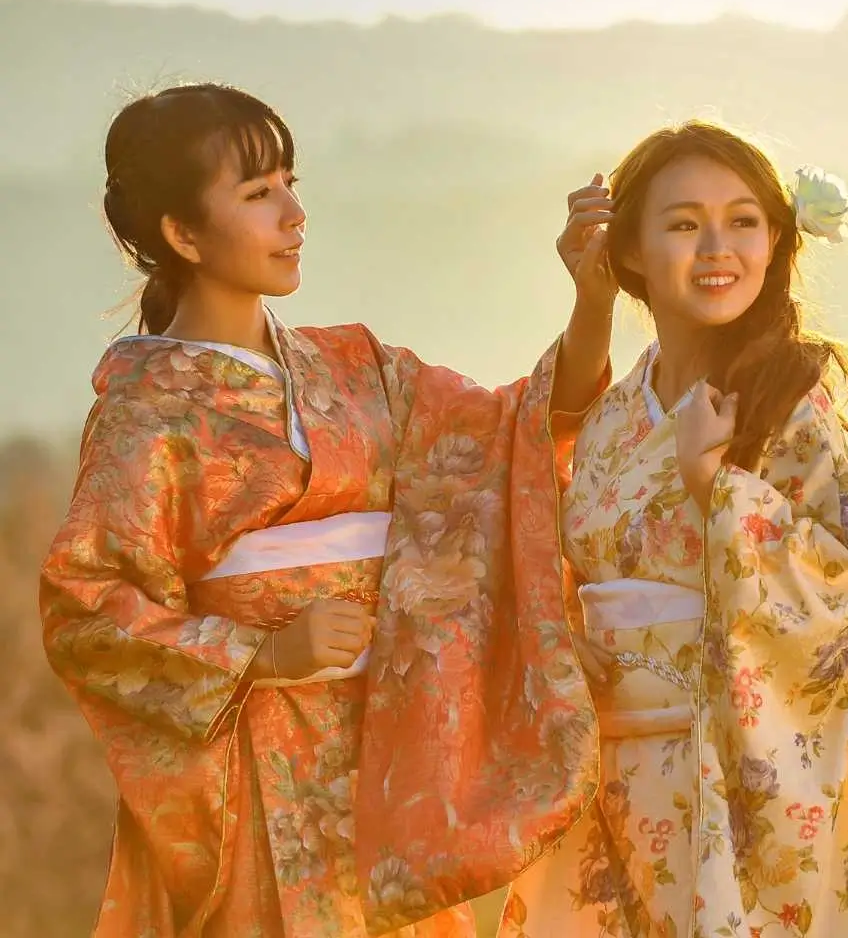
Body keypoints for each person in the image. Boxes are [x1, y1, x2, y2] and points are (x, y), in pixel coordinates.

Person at [39, 83, 616, 937]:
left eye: (290, 182)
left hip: (384, 763)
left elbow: (514, 434)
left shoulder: (357, 366)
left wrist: (593, 299)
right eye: (258, 193)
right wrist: (262, 652)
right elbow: (87, 609)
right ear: (181, 233)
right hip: (252, 777)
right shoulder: (146, 410)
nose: (294, 213)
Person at [499, 121, 848, 937]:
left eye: (743, 220)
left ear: (775, 239)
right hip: (609, 781)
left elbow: (840, 603)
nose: (718, 246)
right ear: (633, 252)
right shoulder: (617, 414)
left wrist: (716, 488)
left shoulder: (789, 401)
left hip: (734, 782)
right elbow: (525, 490)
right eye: (683, 224)